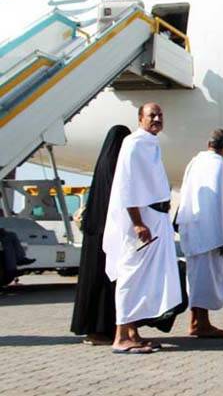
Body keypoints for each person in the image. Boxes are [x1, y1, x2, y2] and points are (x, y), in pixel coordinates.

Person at [103, 103, 182, 354]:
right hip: (142, 220)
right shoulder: (134, 143)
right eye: (152, 115)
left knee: (145, 279)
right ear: (140, 118)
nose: (157, 118)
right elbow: (127, 186)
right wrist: (137, 222)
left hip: (156, 217)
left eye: (160, 115)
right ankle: (120, 336)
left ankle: (133, 333)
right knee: (131, 276)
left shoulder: (151, 142)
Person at [71, 125, 131, 345]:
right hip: (107, 235)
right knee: (106, 284)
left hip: (93, 233)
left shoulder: (103, 165)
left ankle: (91, 329)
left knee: (91, 284)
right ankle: (99, 330)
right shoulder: (116, 166)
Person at [177, 128, 223, 338]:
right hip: (208, 234)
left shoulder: (196, 161)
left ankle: (196, 321)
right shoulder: (217, 163)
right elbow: (215, 203)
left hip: (193, 229)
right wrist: (221, 238)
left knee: (196, 278)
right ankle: (202, 323)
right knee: (205, 280)